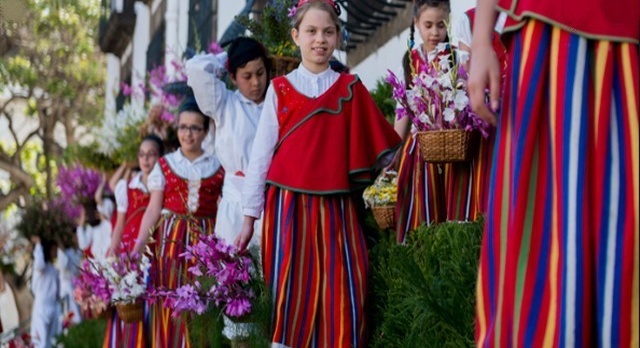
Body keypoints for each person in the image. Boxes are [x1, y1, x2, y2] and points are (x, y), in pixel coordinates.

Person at [468, 0, 639, 346]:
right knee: (544, 224)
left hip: (627, 35)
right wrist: (481, 39)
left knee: (626, 219)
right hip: (546, 35)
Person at [235, 0, 402, 346]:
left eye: (328, 32)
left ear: (338, 37)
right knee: (290, 289)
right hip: (287, 207)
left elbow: (387, 151)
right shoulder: (279, 89)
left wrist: (415, 110)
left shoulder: (351, 89)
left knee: (344, 284)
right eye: (311, 31)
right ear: (296, 36)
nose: (319, 40)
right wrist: (249, 218)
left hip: (337, 208)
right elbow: (261, 155)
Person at [186, 36, 269, 342]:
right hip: (235, 202)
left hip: (272, 200)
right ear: (233, 77)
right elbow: (195, 69)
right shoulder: (225, 103)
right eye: (246, 76)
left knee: (271, 283)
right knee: (237, 286)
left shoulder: (277, 101)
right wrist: (228, 59)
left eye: (261, 72)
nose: (256, 82)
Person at [134, 97, 224, 348]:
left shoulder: (217, 165)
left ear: (205, 131)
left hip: (206, 244)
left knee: (203, 300)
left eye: (195, 128)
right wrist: (139, 246)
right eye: (183, 127)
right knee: (171, 303)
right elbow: (153, 209)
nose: (188, 133)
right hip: (171, 244)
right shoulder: (166, 165)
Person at [393, 0, 450, 243]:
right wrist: (393, 154)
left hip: (449, 146)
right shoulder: (409, 62)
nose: (435, 32)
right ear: (416, 23)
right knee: (419, 207)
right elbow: (403, 112)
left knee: (447, 207)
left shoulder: (454, 56)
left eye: (440, 25)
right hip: (418, 150)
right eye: (428, 25)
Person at [102, 134, 164, 348]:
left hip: (155, 250)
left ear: (160, 157)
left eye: (151, 154)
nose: (146, 159)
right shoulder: (126, 186)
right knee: (131, 300)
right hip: (131, 251)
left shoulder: (163, 184)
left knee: (152, 299)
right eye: (142, 155)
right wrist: (113, 248)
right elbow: (119, 223)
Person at [30, 236, 60, 348]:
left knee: (53, 340)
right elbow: (39, 263)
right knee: (41, 343)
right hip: (41, 307)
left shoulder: (53, 269)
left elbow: (57, 290)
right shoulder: (40, 268)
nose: (55, 252)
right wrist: (38, 244)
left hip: (52, 305)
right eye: (53, 250)